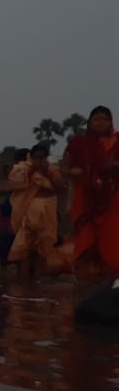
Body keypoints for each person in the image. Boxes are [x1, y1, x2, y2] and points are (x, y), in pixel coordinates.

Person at [62, 105, 119, 277]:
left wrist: (115, 166)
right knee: (85, 244)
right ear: (90, 122)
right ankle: (85, 286)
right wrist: (73, 172)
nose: (101, 123)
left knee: (112, 246)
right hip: (85, 200)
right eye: (97, 119)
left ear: (111, 122)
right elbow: (64, 168)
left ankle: (110, 283)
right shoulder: (79, 143)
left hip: (113, 199)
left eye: (105, 119)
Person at [8, 142, 66, 280]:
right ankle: (23, 281)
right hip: (28, 214)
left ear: (46, 158)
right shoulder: (23, 169)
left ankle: (36, 282)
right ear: (31, 157)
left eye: (42, 158)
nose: (39, 161)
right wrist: (31, 169)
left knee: (42, 250)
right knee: (24, 249)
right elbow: (15, 183)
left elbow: (60, 187)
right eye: (36, 158)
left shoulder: (52, 170)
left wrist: (46, 172)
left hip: (47, 213)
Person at [0, 199, 15, 268]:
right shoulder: (11, 216)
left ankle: (4, 266)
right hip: (9, 236)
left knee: (3, 256)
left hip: (2, 236)